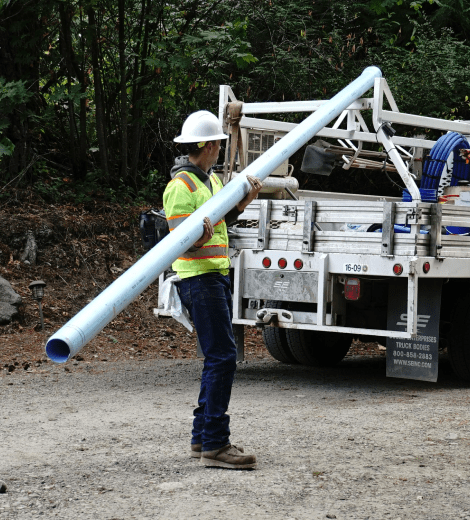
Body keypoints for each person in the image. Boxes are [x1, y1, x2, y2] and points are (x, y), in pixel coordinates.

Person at [163, 110, 262, 470]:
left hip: (214, 276)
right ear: (205, 144)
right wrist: (195, 240)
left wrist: (243, 203)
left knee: (217, 356)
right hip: (198, 279)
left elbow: (220, 223)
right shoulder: (180, 187)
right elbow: (179, 242)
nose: (221, 148)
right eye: (218, 143)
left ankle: (202, 438)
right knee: (222, 357)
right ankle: (216, 444)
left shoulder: (210, 182)